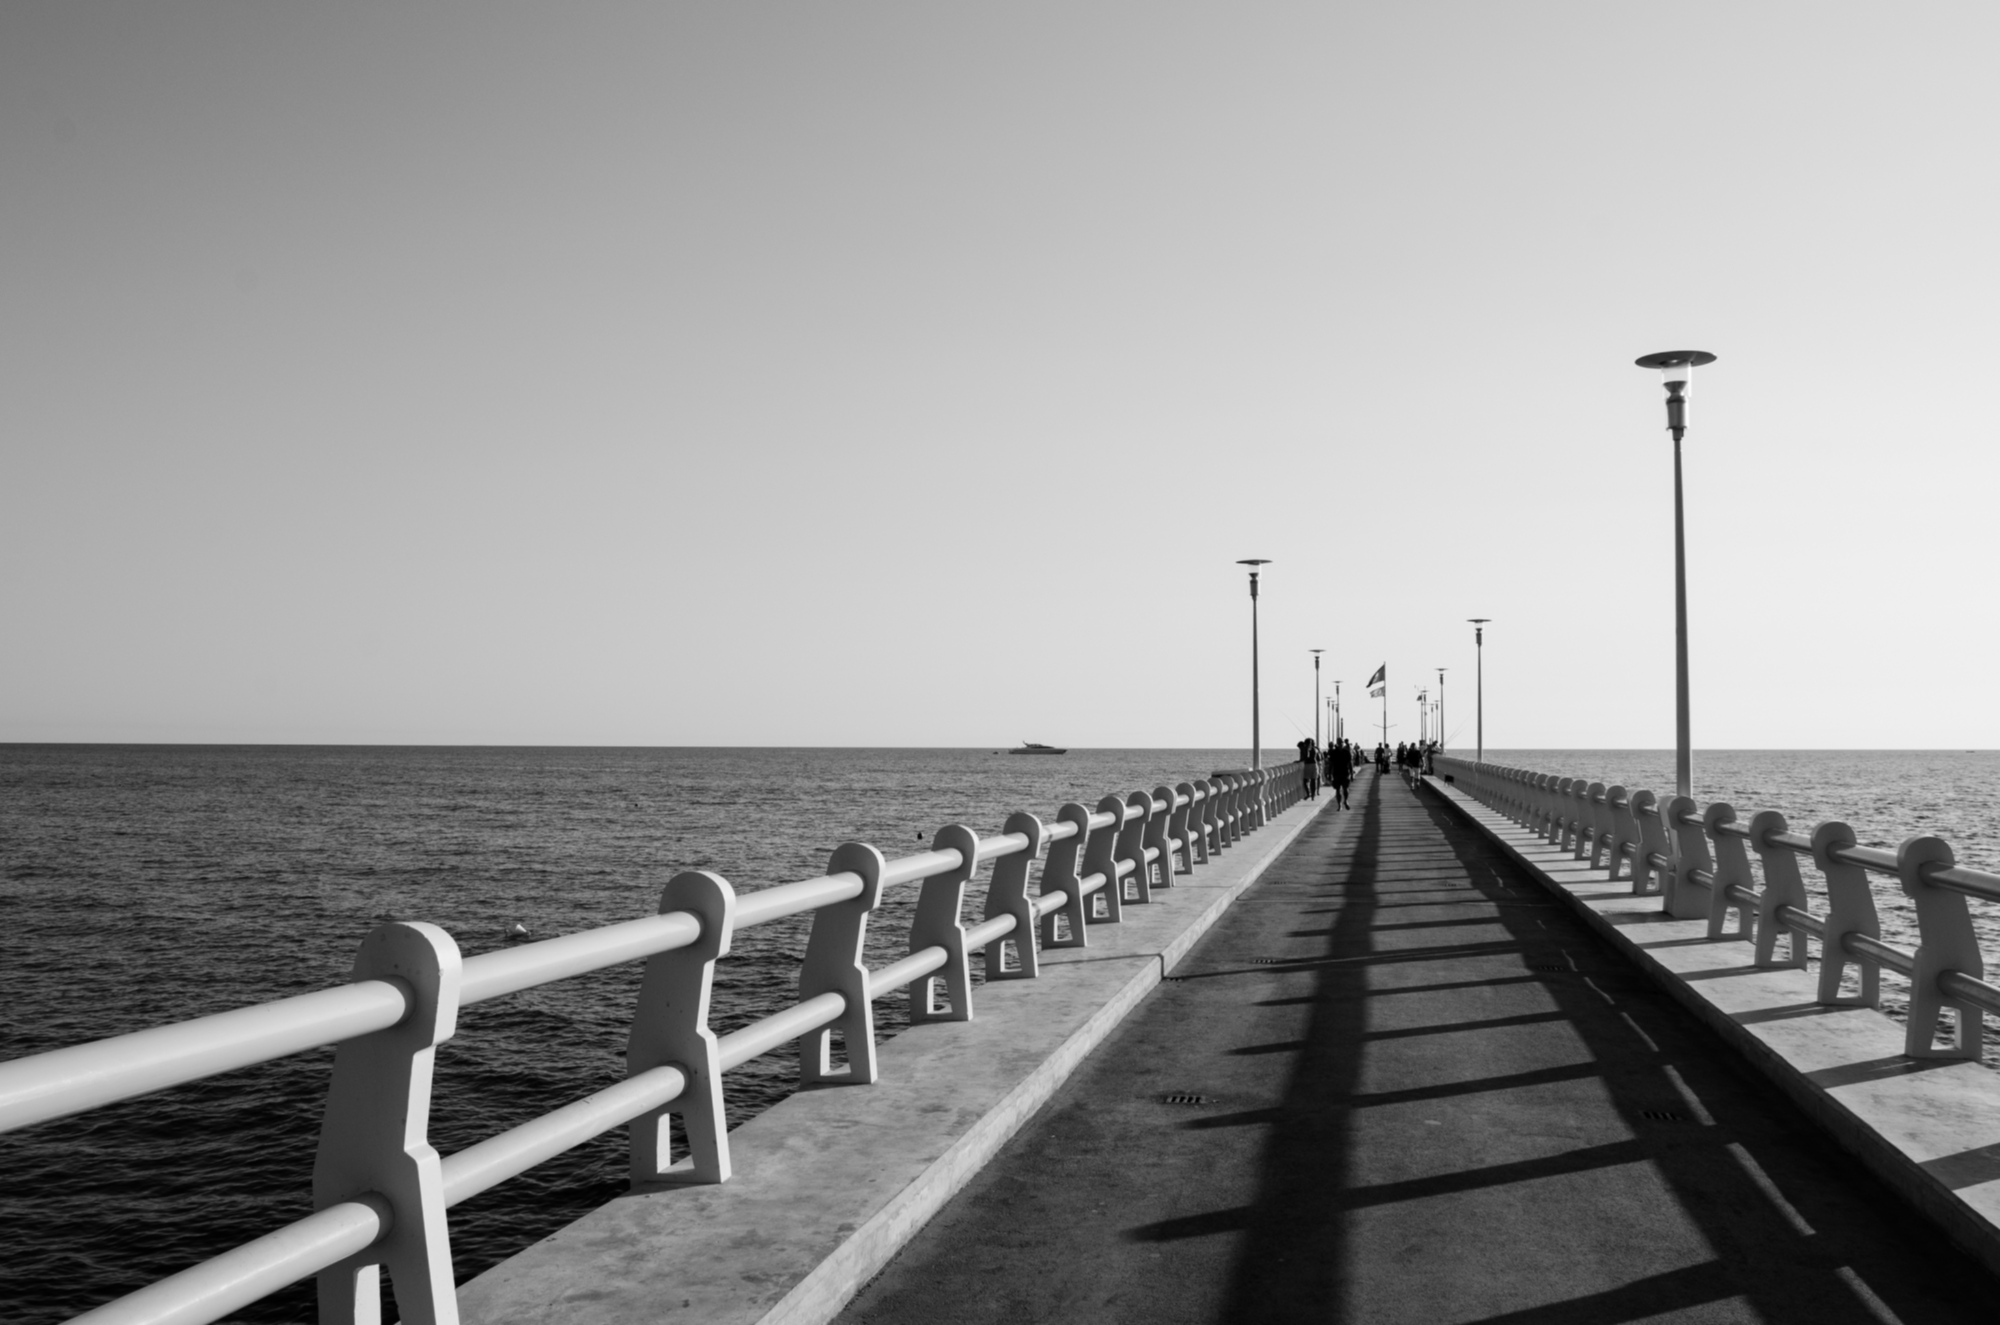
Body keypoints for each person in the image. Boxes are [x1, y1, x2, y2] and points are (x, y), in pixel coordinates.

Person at [1329, 737, 1352, 809]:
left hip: (1345, 772)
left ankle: (1346, 800)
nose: (1340, 744)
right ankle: (1339, 804)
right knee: (1338, 789)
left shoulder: (1346, 752)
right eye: (1339, 742)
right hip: (1336, 773)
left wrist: (1351, 774)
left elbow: (1350, 763)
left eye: (1341, 742)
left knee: (1345, 789)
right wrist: (1329, 774)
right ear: (1337, 743)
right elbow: (1331, 763)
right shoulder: (1333, 752)